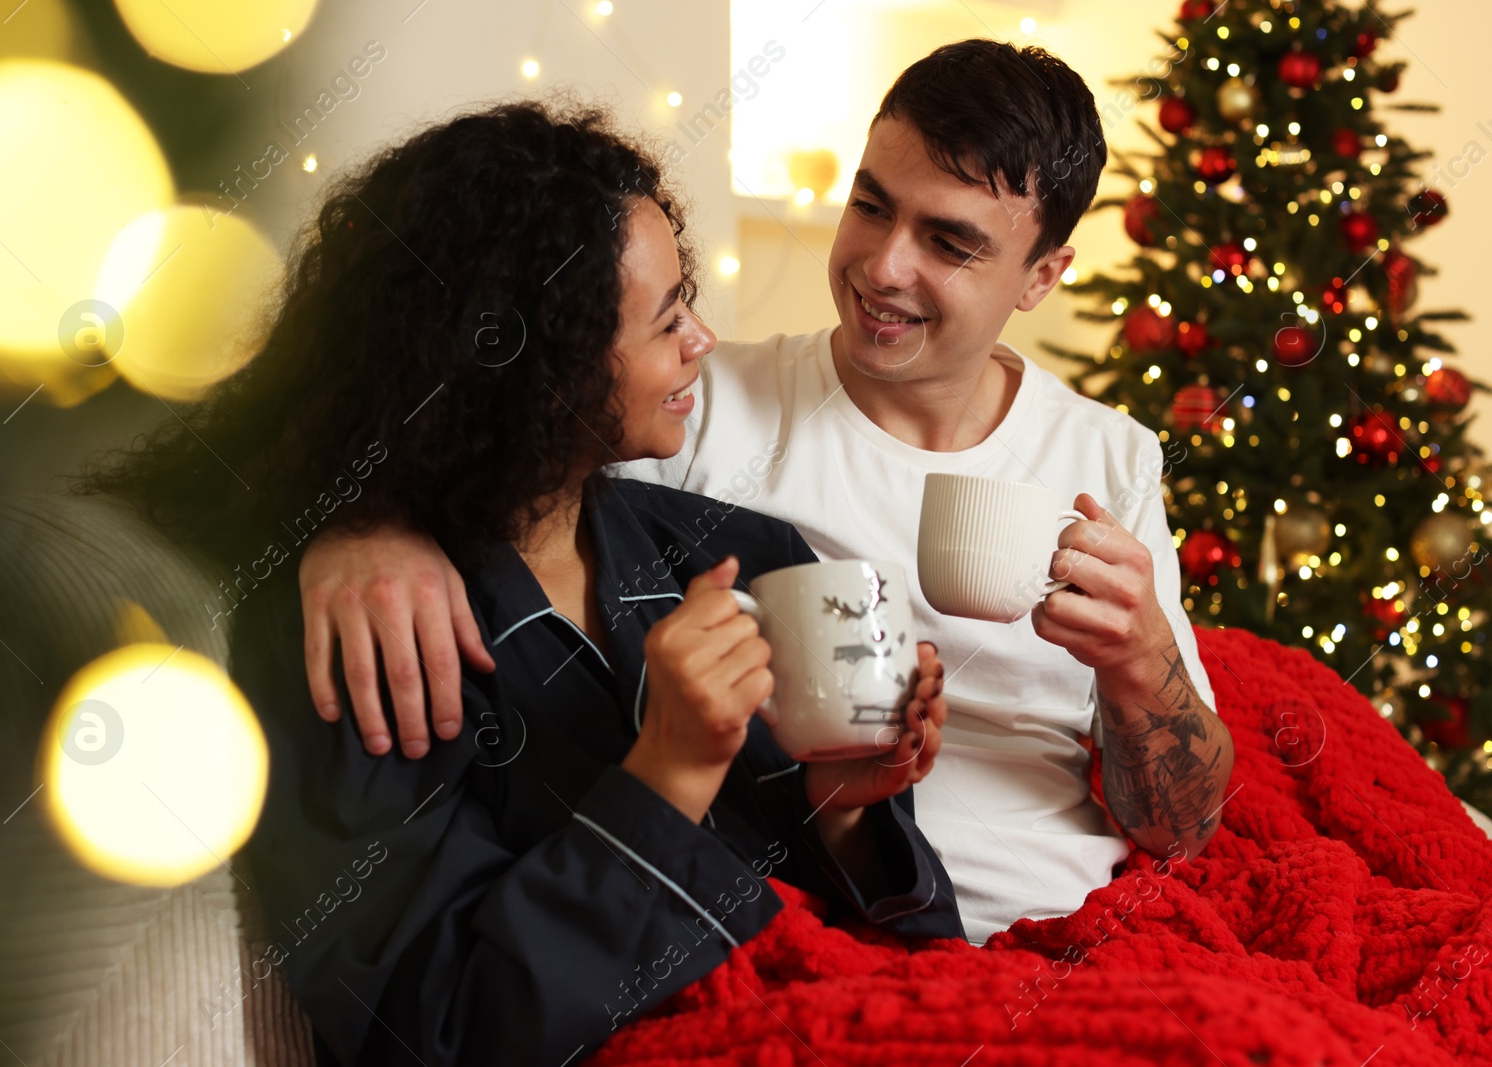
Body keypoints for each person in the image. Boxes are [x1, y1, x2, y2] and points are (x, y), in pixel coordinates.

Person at [294, 41, 1237, 946]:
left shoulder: (1109, 458)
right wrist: (371, 520)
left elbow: (1182, 828)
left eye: (948, 242)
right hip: (825, 909)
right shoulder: (690, 408)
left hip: (1076, 924)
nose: (883, 265)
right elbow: (490, 451)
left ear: (1042, 276)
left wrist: (1141, 661)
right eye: (872, 207)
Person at [78, 101, 961, 1065]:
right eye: (667, 318)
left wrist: (848, 810)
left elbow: (912, 957)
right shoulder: (370, 636)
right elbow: (435, 1028)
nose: (702, 340)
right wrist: (664, 776)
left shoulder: (747, 558)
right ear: (536, 367)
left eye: (689, 301)